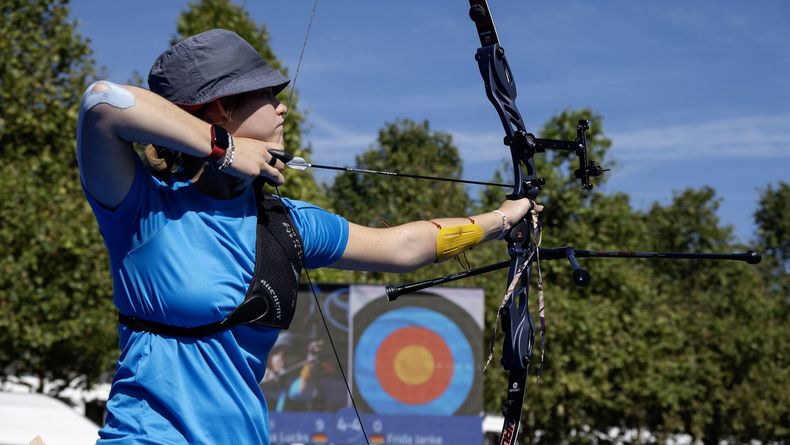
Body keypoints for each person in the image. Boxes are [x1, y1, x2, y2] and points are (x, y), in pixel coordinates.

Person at [77, 29, 541, 444]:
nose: (282, 105)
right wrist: (225, 147)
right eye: (265, 93)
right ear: (220, 106)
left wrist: (501, 219)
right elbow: (102, 102)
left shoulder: (286, 222)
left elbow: (402, 246)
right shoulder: (142, 206)